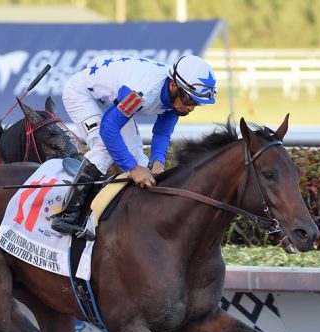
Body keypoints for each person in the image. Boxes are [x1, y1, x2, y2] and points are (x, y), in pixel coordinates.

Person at [51, 54, 217, 240]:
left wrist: (157, 163)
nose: (191, 107)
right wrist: (132, 168)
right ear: (173, 86)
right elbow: (109, 128)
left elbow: (162, 133)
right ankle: (68, 215)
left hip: (114, 98)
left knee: (140, 160)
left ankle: (135, 217)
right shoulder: (142, 93)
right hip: (82, 94)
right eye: (189, 100)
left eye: (197, 103)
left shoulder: (176, 98)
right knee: (105, 149)